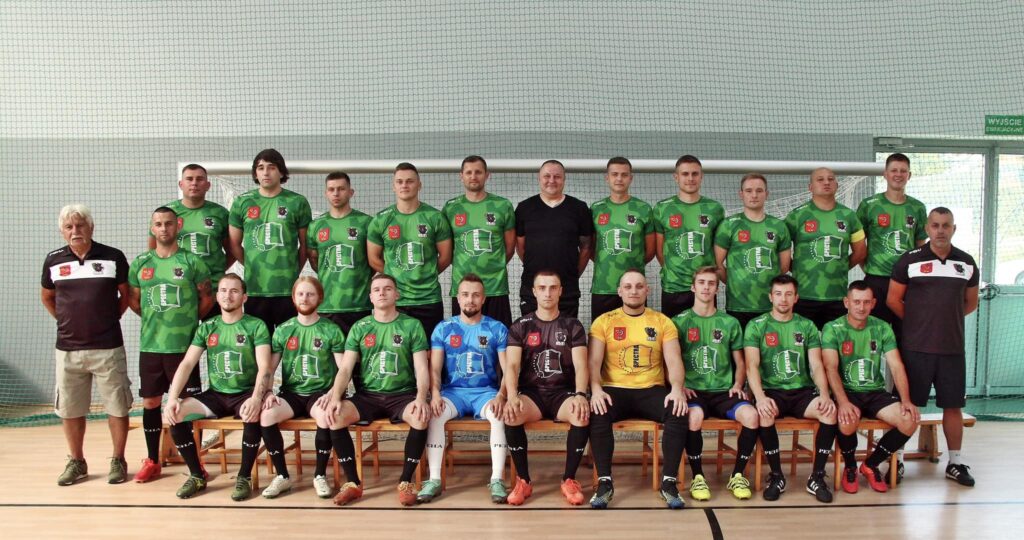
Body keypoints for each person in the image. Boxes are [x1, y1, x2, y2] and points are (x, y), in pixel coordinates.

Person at [42, 204, 133, 486]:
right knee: (70, 409)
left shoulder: (113, 256)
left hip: (108, 347)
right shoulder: (53, 260)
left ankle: (118, 460)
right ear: (62, 231)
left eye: (80, 225)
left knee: (117, 406)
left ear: (91, 227)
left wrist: (109, 318)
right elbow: (47, 297)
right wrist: (67, 321)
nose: (75, 231)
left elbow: (127, 295)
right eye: (69, 227)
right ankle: (77, 461)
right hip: (68, 350)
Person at [887, 207, 979, 487]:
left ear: (954, 229)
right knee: (907, 406)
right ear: (927, 229)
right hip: (916, 349)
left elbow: (970, 303)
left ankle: (955, 462)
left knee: (953, 406)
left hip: (952, 350)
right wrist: (918, 324)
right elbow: (893, 300)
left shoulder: (967, 262)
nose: (940, 230)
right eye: (935, 225)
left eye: (946, 225)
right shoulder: (909, 260)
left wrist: (944, 322)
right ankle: (897, 461)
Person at [323, 273, 432, 506]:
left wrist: (422, 398)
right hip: (368, 396)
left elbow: (422, 368)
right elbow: (345, 368)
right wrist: (335, 397)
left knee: (421, 417)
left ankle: (405, 481)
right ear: (370, 297)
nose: (382, 292)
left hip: (402, 395)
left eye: (387, 288)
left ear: (397, 294)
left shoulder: (411, 325)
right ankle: (353, 483)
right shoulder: (360, 327)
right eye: (377, 289)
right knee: (335, 416)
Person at [162, 273, 273, 500]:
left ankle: (244, 477)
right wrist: (172, 398)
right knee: (176, 414)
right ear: (217, 295)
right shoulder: (208, 327)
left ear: (244, 297)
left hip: (245, 393)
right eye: (223, 290)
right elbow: (187, 363)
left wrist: (256, 398)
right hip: (216, 395)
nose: (227, 296)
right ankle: (197, 475)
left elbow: (265, 367)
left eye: (234, 291)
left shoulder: (256, 326)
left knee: (253, 414)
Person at [588, 269, 688, 509]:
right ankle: (605, 483)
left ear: (647, 290)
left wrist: (676, 389)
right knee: (598, 411)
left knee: (677, 410)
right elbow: (593, 362)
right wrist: (596, 389)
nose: (634, 291)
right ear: (619, 291)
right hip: (614, 388)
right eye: (628, 287)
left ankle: (669, 482)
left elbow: (674, 360)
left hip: (650, 389)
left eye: (639, 286)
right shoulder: (604, 321)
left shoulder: (662, 322)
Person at [128, 206, 213, 483]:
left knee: (185, 406)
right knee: (151, 402)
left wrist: (187, 323)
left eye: (168, 223)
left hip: (183, 349)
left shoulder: (193, 262)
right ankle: (153, 460)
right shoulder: (141, 263)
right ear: (152, 228)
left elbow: (207, 299)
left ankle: (196, 465)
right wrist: (157, 321)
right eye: (158, 224)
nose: (163, 228)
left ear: (178, 226)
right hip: (151, 346)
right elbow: (134, 301)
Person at [744, 274, 837, 503]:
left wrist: (825, 394)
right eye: (778, 294)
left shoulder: (807, 326)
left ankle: (816, 477)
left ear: (796, 298)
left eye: (788, 294)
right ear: (770, 297)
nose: (783, 299)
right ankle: (776, 476)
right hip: (771, 391)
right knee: (764, 413)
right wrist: (760, 397)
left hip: (802, 392)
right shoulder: (756, 325)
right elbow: (751, 366)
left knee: (829, 412)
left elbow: (816, 365)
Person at [417, 274, 510, 504]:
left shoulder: (496, 328)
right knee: (435, 415)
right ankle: (434, 479)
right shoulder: (444, 328)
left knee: (499, 416)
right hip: (453, 393)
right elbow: (434, 368)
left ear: (483, 299)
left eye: (476, 295)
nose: (470, 300)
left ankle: (497, 479)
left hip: (486, 393)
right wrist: (435, 394)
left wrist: (501, 395)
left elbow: (509, 368)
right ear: (457, 298)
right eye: (466, 295)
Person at [671, 266, 760, 501]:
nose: (706, 287)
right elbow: (669, 360)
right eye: (701, 282)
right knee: (693, 418)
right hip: (693, 391)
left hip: (723, 392)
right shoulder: (679, 322)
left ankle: (737, 475)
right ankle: (698, 477)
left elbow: (740, 362)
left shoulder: (729, 323)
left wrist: (738, 385)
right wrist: (679, 386)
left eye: (711, 283)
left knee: (752, 416)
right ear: (693, 287)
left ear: (717, 289)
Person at [822, 281, 919, 494]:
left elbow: (896, 365)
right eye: (856, 301)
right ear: (846, 302)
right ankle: (850, 466)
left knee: (909, 419)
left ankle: (870, 464)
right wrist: (843, 402)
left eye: (866, 302)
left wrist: (906, 400)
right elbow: (830, 368)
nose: (861, 307)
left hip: (875, 392)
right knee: (847, 419)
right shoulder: (833, 328)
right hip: (847, 392)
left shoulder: (882, 327)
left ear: (873, 303)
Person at [502, 271, 590, 506]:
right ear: (534, 292)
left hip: (563, 393)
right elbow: (511, 365)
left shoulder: (572, 325)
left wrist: (581, 395)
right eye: (542, 288)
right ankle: (524, 481)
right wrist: (512, 396)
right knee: (511, 414)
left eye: (553, 288)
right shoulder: (521, 326)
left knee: (581, 414)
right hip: (532, 394)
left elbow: (581, 365)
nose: (547, 293)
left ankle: (569, 479)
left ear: (561, 291)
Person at [258, 276, 347, 499]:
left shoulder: (331, 329)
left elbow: (343, 369)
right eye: (300, 294)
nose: (305, 298)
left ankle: (319, 475)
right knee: (266, 415)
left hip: (320, 393)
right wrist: (267, 392)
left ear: (320, 298)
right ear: (293, 298)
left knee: (325, 416)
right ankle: (282, 476)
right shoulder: (284, 330)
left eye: (310, 294)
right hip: (292, 393)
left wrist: (333, 393)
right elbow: (269, 368)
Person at [228, 148, 313, 333]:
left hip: (288, 290)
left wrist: (293, 270)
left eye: (271, 167)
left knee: (289, 344)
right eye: (260, 168)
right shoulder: (242, 202)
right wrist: (251, 265)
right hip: (255, 289)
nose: (266, 172)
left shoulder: (297, 202)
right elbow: (233, 243)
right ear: (255, 173)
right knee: (260, 345)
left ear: (281, 172)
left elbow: (305, 244)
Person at [367, 162, 452, 336]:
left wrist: (426, 273)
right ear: (393, 186)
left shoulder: (435, 217)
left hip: (428, 299)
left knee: (429, 349)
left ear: (419, 185)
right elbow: (373, 259)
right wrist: (395, 276)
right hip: (395, 300)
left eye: (410, 181)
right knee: (396, 348)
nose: (404, 185)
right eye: (399, 182)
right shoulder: (381, 220)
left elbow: (445, 256)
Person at [856, 153, 927, 339]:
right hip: (876, 281)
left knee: (905, 334)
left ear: (909, 175)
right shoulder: (869, 205)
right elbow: (858, 244)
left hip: (906, 282)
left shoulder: (918, 208)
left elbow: (921, 246)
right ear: (885, 174)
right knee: (872, 337)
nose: (898, 174)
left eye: (903, 171)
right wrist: (869, 268)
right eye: (894, 170)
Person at [785, 167, 866, 330]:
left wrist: (840, 267)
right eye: (820, 179)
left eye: (830, 179)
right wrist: (799, 269)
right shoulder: (796, 216)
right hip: (803, 296)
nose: (826, 182)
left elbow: (861, 251)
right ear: (810, 187)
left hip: (837, 296)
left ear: (837, 185)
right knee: (803, 343)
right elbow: (781, 251)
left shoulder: (849, 216)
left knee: (836, 344)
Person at [442, 156, 516, 327]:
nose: (473, 176)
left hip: (495, 287)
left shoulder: (502, 205)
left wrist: (493, 265)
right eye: (468, 172)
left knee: (498, 338)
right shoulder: (451, 208)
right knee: (464, 338)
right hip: (463, 289)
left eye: (478, 172)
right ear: (461, 176)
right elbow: (447, 249)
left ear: (487, 175)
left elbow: (509, 248)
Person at [149, 164, 234, 313]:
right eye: (189, 179)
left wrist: (213, 270)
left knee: (214, 328)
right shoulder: (166, 214)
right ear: (181, 184)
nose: (194, 183)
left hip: (213, 290)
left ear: (208, 185)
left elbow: (232, 251)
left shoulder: (220, 213)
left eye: (199, 179)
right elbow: (153, 252)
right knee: (181, 328)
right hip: (179, 288)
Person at [515, 160, 594, 317]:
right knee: (532, 332)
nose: (551, 180)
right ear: (539, 178)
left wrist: (572, 273)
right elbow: (520, 246)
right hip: (532, 289)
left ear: (564, 179)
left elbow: (586, 247)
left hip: (567, 289)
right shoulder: (524, 208)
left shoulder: (579, 208)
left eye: (557, 176)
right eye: (547, 176)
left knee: (566, 332)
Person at [714, 173, 792, 329]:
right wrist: (735, 282)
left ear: (766, 194)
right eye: (749, 191)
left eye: (759, 190)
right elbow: (717, 263)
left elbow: (783, 267)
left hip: (770, 306)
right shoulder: (729, 225)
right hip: (738, 306)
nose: (754, 195)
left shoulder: (778, 226)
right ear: (741, 194)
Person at [654, 155, 725, 318]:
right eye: (685, 174)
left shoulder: (714, 209)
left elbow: (718, 251)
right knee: (674, 333)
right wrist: (676, 270)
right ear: (676, 177)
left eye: (695, 174)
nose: (690, 178)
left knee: (705, 332)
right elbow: (659, 252)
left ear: (701, 176)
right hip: (674, 287)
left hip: (705, 289)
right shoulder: (662, 208)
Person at [307, 171, 373, 335]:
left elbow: (374, 260)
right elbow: (314, 260)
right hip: (327, 305)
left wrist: (360, 275)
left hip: (359, 305)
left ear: (351, 192)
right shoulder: (316, 225)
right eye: (331, 189)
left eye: (341, 189)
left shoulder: (366, 223)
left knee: (357, 351)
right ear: (326, 193)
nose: (336, 193)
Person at [590, 157, 655, 320]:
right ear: (607, 178)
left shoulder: (643, 209)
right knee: (601, 334)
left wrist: (633, 263)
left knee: (635, 333)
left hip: (634, 290)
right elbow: (591, 248)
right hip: (603, 287)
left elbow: (650, 251)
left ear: (631, 178)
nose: (619, 179)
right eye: (615, 174)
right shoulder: (596, 209)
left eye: (624, 175)